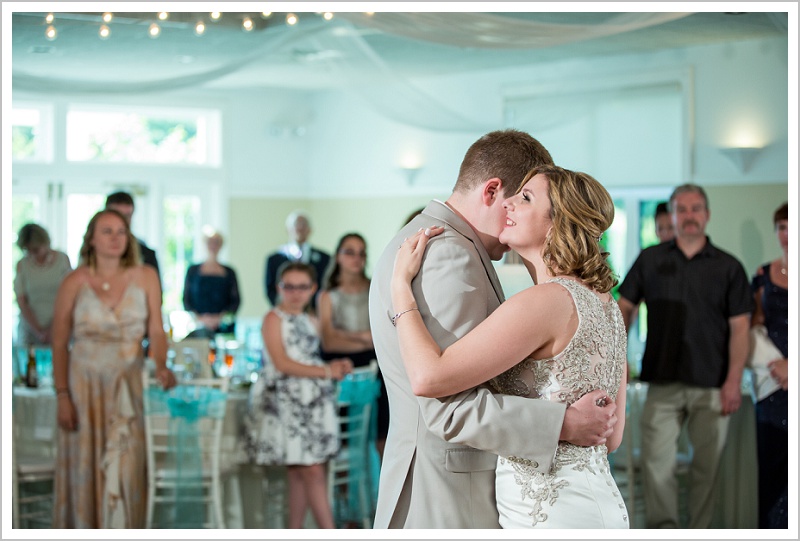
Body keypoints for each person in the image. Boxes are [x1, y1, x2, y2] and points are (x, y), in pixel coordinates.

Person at [368, 129, 618, 529]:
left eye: (528, 200)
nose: (515, 210)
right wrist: (564, 423)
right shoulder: (447, 252)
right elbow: (445, 401)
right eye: (517, 198)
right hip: (448, 494)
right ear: (491, 191)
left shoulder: (542, 295)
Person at [617, 183, 753, 529]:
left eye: (696, 209)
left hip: (712, 384)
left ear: (706, 215)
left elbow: (741, 329)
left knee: (706, 470)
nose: (689, 216)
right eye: (682, 209)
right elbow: (624, 309)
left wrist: (733, 381)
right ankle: (666, 531)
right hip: (661, 382)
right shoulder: (650, 258)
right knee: (656, 465)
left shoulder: (729, 267)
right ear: (671, 216)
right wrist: (618, 360)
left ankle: (699, 533)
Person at [51, 209, 176, 528]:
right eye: (107, 231)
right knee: (86, 463)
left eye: (121, 231)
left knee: (127, 465)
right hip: (84, 388)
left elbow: (157, 331)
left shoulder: (146, 275)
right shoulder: (74, 281)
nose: (115, 238)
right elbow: (59, 339)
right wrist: (62, 394)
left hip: (128, 385)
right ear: (91, 238)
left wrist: (161, 364)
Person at [242, 262, 353, 529]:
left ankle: (295, 530)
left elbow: (312, 356)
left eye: (302, 287)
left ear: (312, 288)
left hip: (313, 402)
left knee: (299, 472)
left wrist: (339, 365)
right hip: (287, 403)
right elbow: (282, 363)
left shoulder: (311, 319)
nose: (295, 293)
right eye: (288, 286)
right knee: (312, 470)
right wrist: (327, 371)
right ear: (279, 288)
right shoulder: (273, 318)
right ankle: (329, 530)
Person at [749, 201, 788, 529]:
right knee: (772, 474)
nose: (787, 234)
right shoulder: (762, 275)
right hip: (772, 386)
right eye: (782, 227)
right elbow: (755, 326)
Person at [14, 223, 72, 346]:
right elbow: (22, 301)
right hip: (30, 328)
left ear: (44, 243)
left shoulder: (62, 259)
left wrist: (53, 328)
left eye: (35, 249)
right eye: (27, 250)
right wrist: (38, 331)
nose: (32, 254)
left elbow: (69, 296)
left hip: (59, 324)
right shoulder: (22, 265)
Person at [265, 210, 331, 307]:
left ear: (310, 230)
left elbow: (326, 286)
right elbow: (270, 289)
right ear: (288, 229)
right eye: (296, 224)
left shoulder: (325, 258)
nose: (300, 228)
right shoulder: (274, 259)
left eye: (303, 225)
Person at [183, 227, 241, 336]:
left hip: (223, 328)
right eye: (210, 242)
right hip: (197, 326)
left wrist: (219, 319)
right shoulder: (193, 270)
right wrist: (202, 319)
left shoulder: (229, 272)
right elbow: (186, 300)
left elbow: (235, 302)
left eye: (216, 242)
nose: (213, 245)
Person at [105, 191, 161, 284]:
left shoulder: (147, 255)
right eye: (117, 215)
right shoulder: (91, 252)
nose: (122, 221)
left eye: (127, 216)